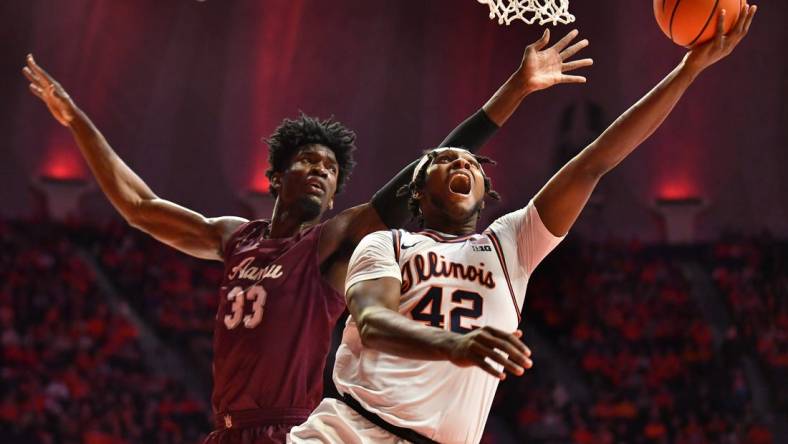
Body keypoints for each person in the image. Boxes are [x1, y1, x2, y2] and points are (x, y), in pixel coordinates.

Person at [22, 28, 591, 443]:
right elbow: (140, 206)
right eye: (310, 161)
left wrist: (513, 92)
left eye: (331, 168)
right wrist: (78, 123)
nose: (323, 169)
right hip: (226, 432)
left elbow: (429, 166)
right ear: (275, 177)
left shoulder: (333, 242)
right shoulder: (234, 238)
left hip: (295, 431)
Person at [288, 5, 757, 444]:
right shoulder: (385, 244)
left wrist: (687, 71)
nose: (461, 163)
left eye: (472, 163)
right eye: (446, 159)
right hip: (347, 432)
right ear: (418, 190)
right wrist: (455, 344)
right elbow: (372, 322)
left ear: (484, 192)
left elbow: (595, 162)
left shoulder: (509, 244)